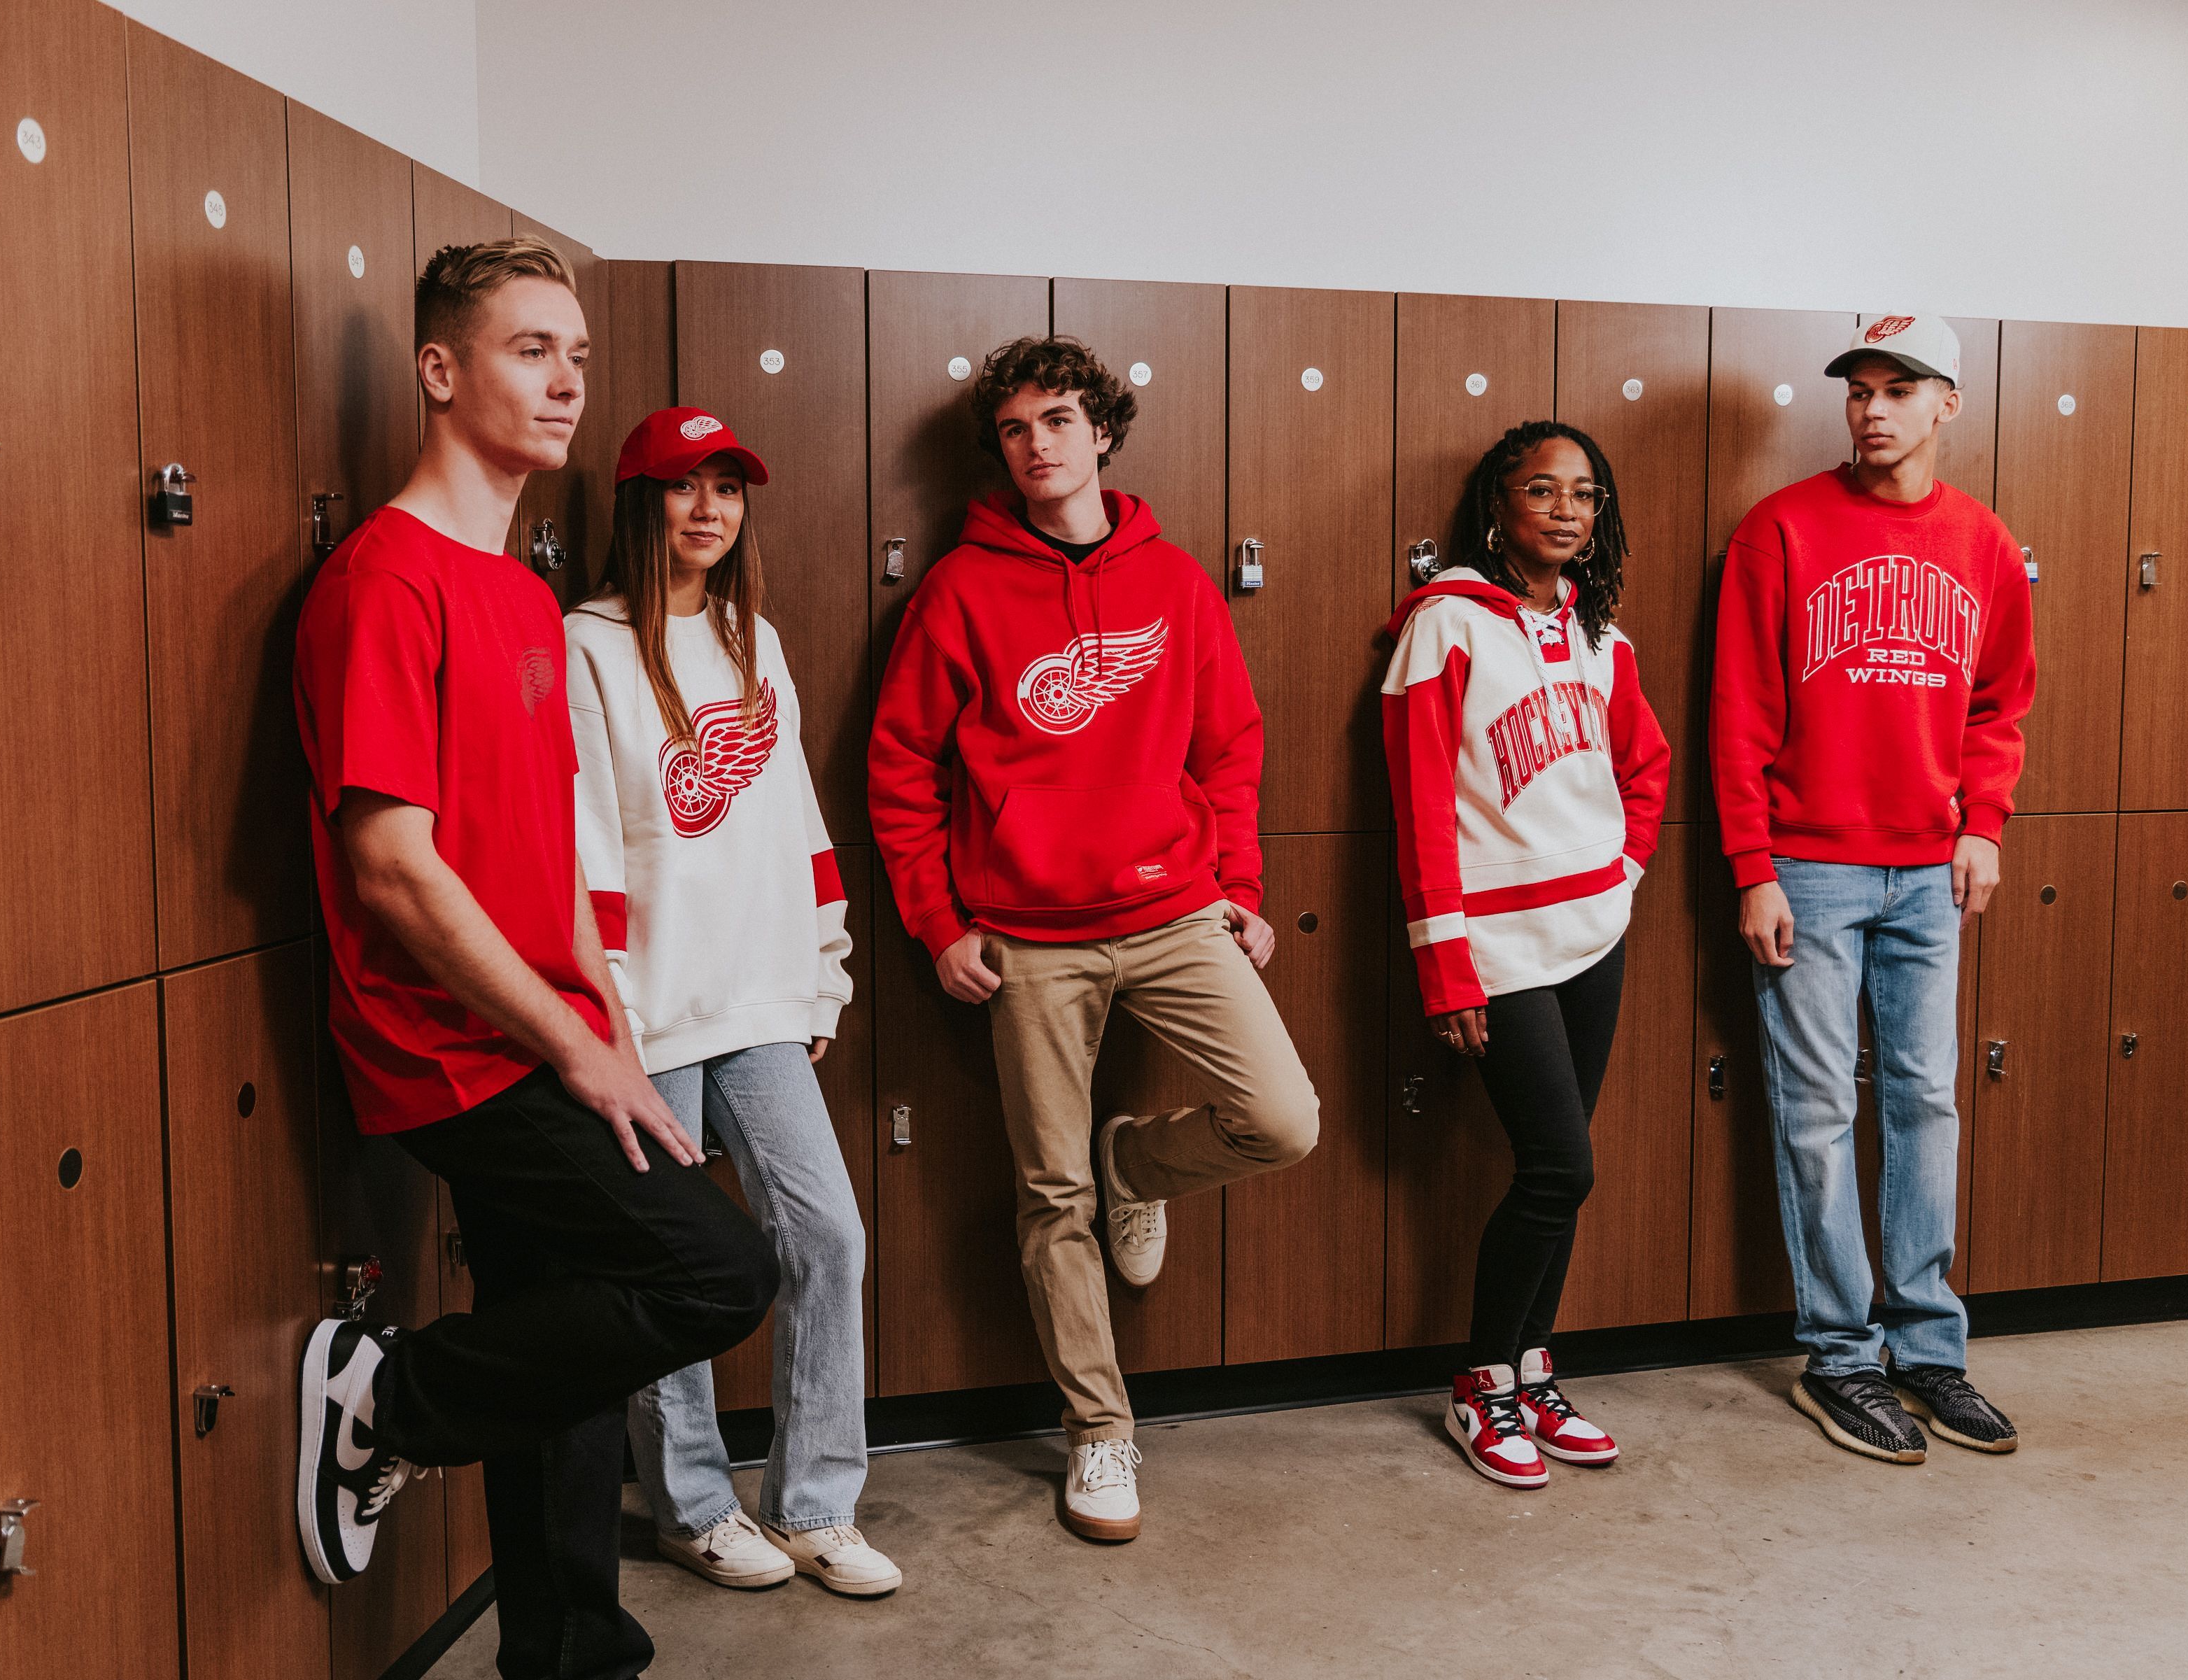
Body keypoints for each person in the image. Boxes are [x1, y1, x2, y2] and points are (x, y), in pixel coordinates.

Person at [290, 239, 777, 1680]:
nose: (565, 380)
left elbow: (545, 851)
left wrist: (606, 1019)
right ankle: (394, 1393)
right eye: (526, 350)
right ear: (441, 371)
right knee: (717, 1273)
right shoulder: (384, 582)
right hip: (451, 1048)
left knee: (565, 1337)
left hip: (552, 1021)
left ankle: (572, 1656)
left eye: (574, 352)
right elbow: (393, 867)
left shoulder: (515, 591)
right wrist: (573, 1051)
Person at [867, 334, 1319, 1543]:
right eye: (1015, 430)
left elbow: (1229, 742)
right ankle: (1100, 1435)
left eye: (1058, 421)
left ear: (1103, 432)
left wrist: (1239, 879)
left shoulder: (1173, 583)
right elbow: (901, 767)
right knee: (1047, 1193)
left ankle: (1140, 1164)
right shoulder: (960, 590)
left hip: (1174, 911)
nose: (1038, 446)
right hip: (1027, 937)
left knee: (1283, 1119)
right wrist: (937, 921)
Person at [567, 406, 898, 1597]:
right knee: (673, 1268)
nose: (708, 508)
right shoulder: (588, 644)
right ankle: (691, 1502)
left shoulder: (756, 640)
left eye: (728, 487)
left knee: (828, 1236)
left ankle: (815, 1503)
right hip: (649, 1010)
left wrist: (825, 962)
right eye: (681, 486)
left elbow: (796, 821)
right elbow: (588, 842)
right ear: (635, 501)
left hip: (760, 998)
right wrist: (605, 1010)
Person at [1711, 313, 2035, 1464]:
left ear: (1948, 404)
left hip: (1932, 868)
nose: (1873, 409)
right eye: (1859, 388)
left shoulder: (1985, 545)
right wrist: (1753, 867)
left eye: (1901, 389)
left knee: (1926, 1099)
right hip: (1809, 862)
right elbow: (1739, 715)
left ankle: (1929, 1346)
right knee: (1816, 1110)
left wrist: (1983, 825)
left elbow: (2001, 704)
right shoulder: (1781, 531)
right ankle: (1841, 1356)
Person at [1383, 421, 1670, 1489]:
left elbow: (1647, 766)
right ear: (1495, 505)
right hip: (1497, 941)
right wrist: (1443, 962)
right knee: (1560, 1167)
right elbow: (1419, 808)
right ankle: (1480, 1384)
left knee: (1565, 1170)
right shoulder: (1447, 625)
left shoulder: (1605, 637)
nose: (1564, 509)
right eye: (1540, 489)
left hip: (1593, 928)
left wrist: (1623, 869)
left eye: (1585, 494)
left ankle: (1532, 1365)